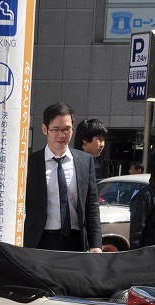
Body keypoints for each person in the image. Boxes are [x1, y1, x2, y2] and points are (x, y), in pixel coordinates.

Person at [23, 102, 101, 252]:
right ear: (45, 129)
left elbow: (91, 205)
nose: (62, 135)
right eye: (56, 129)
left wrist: (96, 244)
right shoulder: (31, 163)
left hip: (76, 240)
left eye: (67, 129)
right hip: (41, 240)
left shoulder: (85, 161)